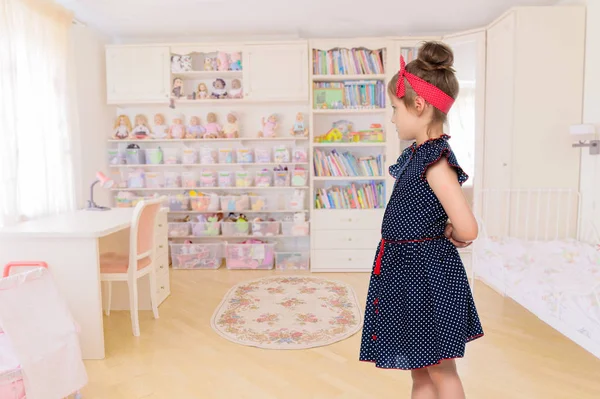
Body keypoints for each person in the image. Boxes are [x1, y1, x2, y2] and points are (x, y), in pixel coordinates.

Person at [359, 41, 484, 399]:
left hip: (427, 276)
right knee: (419, 373)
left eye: (396, 108)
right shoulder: (416, 156)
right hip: (404, 272)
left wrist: (450, 231)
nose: (393, 117)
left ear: (419, 105)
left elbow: (469, 228)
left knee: (441, 370)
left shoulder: (436, 162)